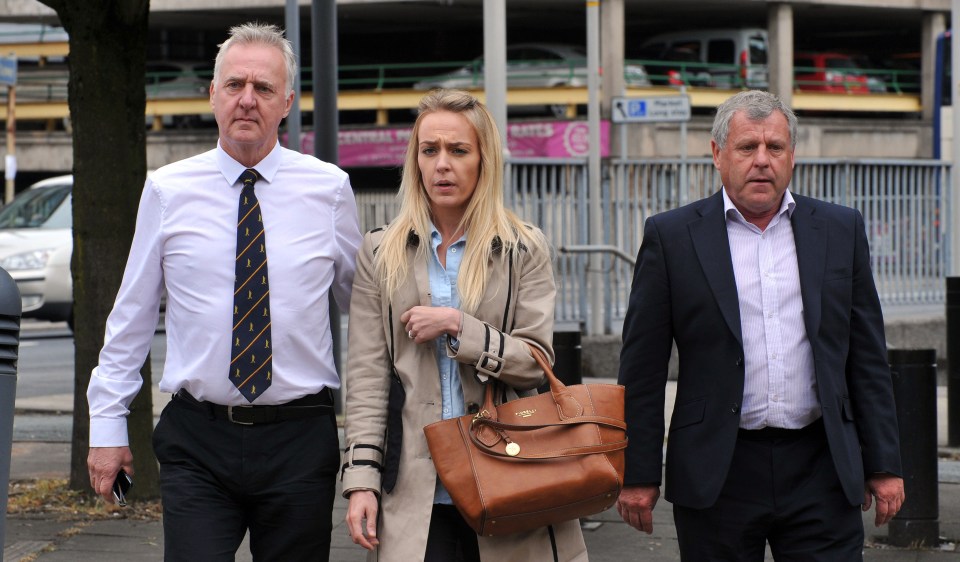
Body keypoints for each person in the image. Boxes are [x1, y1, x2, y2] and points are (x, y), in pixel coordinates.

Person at [86, 22, 362, 562]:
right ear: (211, 94)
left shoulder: (329, 189)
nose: (246, 100)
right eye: (234, 85)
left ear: (287, 102)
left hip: (299, 439)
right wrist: (107, 424)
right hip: (198, 439)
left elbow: (367, 309)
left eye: (263, 89)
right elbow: (133, 316)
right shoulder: (168, 190)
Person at [616, 90, 905, 560]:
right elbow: (642, 369)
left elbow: (867, 356)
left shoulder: (839, 229)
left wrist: (884, 464)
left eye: (775, 147)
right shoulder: (671, 237)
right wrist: (639, 473)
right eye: (747, 147)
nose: (762, 161)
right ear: (717, 154)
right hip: (718, 470)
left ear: (792, 155)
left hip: (822, 466)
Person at [340, 89, 587, 562]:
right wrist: (361, 482)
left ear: (483, 160)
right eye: (429, 151)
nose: (442, 165)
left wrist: (460, 328)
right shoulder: (380, 251)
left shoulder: (522, 248)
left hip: (509, 475)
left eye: (458, 151)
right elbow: (368, 381)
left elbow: (536, 363)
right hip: (416, 493)